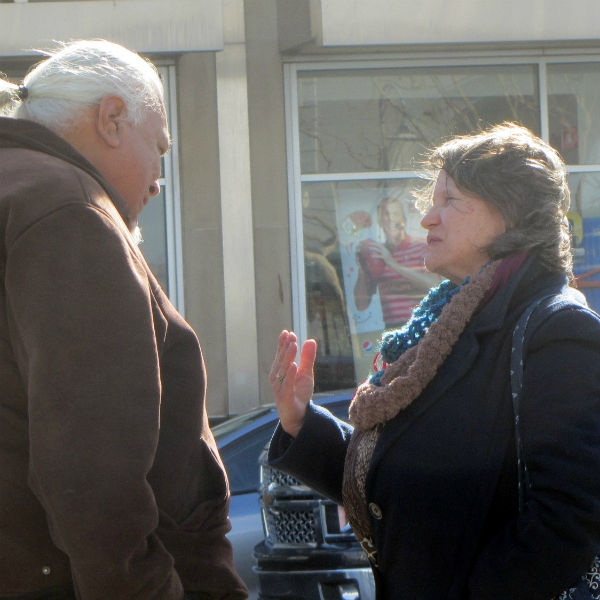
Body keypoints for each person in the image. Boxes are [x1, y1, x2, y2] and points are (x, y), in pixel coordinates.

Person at [268, 123, 600, 600]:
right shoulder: (445, 326)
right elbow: (404, 487)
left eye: (450, 201)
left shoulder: (558, 331)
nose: (427, 219)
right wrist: (302, 422)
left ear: (510, 215)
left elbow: (568, 519)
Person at [0, 41, 247, 600]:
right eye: (158, 147)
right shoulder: (67, 208)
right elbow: (89, 467)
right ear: (112, 119)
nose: (159, 180)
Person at [354, 196, 439, 328]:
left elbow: (436, 285)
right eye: (385, 214)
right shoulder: (377, 254)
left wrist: (393, 264)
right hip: (393, 330)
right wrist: (362, 266)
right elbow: (361, 305)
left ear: (404, 220)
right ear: (379, 221)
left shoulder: (421, 246)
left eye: (395, 213)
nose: (390, 218)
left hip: (424, 325)